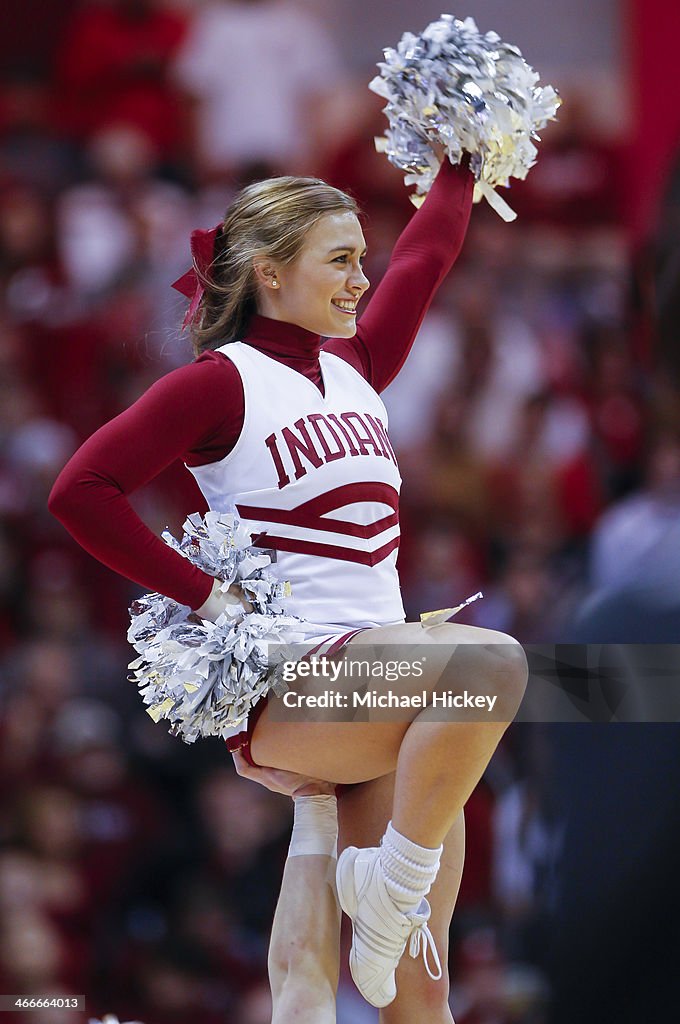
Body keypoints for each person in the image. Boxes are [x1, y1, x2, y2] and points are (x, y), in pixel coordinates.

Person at [48, 148, 528, 1022]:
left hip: (384, 688)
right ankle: (387, 890)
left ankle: (388, 892)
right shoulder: (219, 384)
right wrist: (205, 595)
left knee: (421, 996)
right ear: (270, 272)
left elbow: (427, 255)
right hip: (300, 682)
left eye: (360, 257)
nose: (361, 278)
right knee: (488, 664)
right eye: (339, 259)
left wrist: (466, 154)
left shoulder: (359, 366)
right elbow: (79, 491)